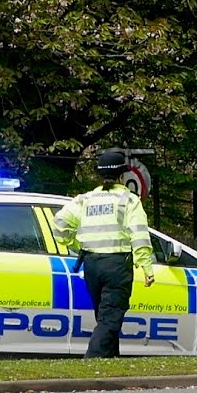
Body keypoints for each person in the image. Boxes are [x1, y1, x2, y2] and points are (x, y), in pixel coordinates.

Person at [52, 149, 155, 358]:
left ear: (100, 175)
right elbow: (139, 235)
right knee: (110, 318)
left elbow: (59, 224)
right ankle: (92, 360)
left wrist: (74, 243)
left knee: (105, 316)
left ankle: (109, 361)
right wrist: (146, 267)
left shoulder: (85, 200)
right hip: (117, 265)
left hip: (91, 264)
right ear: (122, 176)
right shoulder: (129, 200)